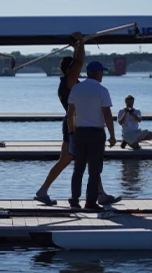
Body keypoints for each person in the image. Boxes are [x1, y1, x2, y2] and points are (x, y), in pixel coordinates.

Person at [34, 33, 120, 207]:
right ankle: (43, 191)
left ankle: (100, 194)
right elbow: (78, 63)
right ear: (69, 71)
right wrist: (81, 43)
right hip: (74, 127)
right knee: (68, 160)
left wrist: (77, 47)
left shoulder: (72, 83)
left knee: (89, 161)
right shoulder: (68, 82)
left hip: (76, 125)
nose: (79, 70)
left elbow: (76, 62)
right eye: (74, 68)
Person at [66, 61, 117, 210]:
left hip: (79, 132)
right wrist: (112, 134)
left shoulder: (76, 88)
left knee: (78, 168)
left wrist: (71, 132)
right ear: (97, 73)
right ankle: (90, 202)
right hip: (96, 133)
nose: (103, 74)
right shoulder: (102, 90)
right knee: (94, 170)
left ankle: (74, 199)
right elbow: (107, 114)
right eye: (102, 71)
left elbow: (70, 114)